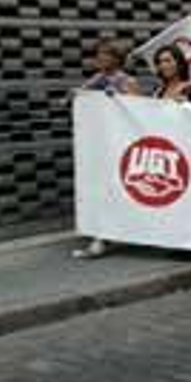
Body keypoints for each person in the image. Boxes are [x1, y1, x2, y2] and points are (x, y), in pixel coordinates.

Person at [73, 40, 139, 259]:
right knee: (103, 191)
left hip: (122, 147)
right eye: (97, 55)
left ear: (115, 58)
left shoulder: (127, 81)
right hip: (103, 148)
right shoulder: (98, 80)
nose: (98, 59)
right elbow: (82, 94)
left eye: (103, 55)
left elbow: (139, 111)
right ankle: (100, 237)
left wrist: (118, 98)